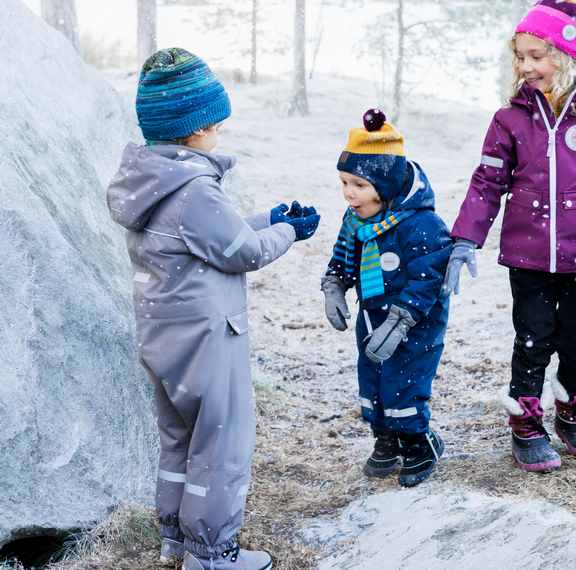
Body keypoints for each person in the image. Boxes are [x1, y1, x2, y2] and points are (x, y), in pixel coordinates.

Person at [107, 48, 320, 570]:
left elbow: (201, 233)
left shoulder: (155, 181)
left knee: (179, 438)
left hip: (163, 333)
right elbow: (241, 250)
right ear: (195, 127)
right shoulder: (196, 189)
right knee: (220, 444)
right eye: (215, 124)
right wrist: (289, 230)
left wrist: (266, 214)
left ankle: (175, 539)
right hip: (207, 336)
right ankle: (212, 554)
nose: (220, 132)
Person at [443, 0, 576, 473]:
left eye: (537, 55)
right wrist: (465, 239)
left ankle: (574, 410)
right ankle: (527, 420)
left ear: (569, 58)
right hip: (528, 255)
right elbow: (488, 181)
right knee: (532, 336)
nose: (526, 65)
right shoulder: (510, 119)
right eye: (520, 55)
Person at [321, 109, 452, 487]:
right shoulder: (357, 222)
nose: (349, 193)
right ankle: (386, 439)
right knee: (373, 379)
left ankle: (418, 443)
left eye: (359, 185)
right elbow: (345, 255)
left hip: (414, 323)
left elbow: (428, 276)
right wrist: (334, 283)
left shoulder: (421, 224)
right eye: (344, 182)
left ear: (387, 185)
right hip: (372, 316)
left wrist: (404, 317)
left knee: (404, 381)